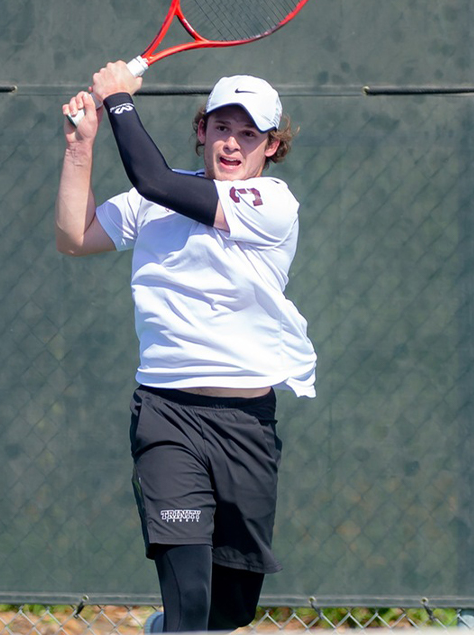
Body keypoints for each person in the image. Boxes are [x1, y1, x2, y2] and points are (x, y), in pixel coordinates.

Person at [55, 62, 317, 632]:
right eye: (222, 127)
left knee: (226, 614)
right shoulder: (152, 197)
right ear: (201, 130)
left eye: (249, 134)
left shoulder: (272, 204)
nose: (232, 143)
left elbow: (154, 180)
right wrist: (81, 149)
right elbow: (75, 237)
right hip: (167, 415)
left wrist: (120, 100)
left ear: (271, 146)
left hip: (247, 423)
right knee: (190, 604)